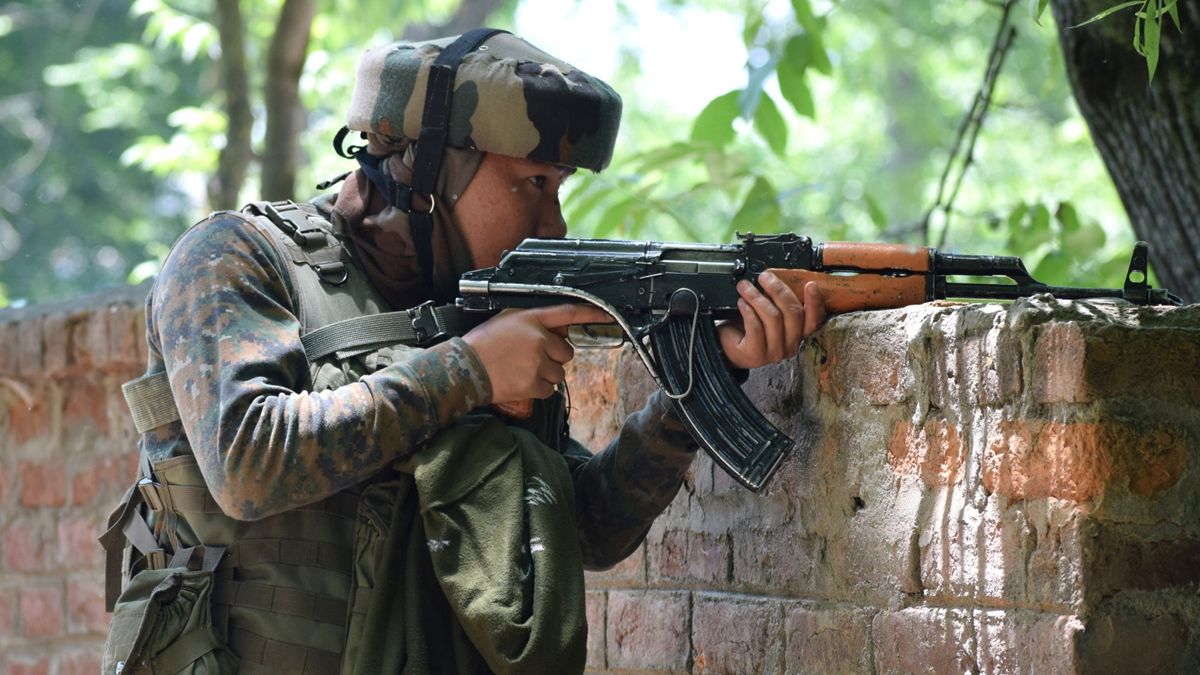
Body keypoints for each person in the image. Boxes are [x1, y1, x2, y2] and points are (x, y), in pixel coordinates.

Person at [102, 29, 826, 674]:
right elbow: (248, 464)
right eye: (532, 184)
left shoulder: (475, 310)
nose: (555, 219)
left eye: (560, 188)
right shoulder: (237, 258)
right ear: (427, 171)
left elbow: (580, 528)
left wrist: (698, 387)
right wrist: (470, 370)